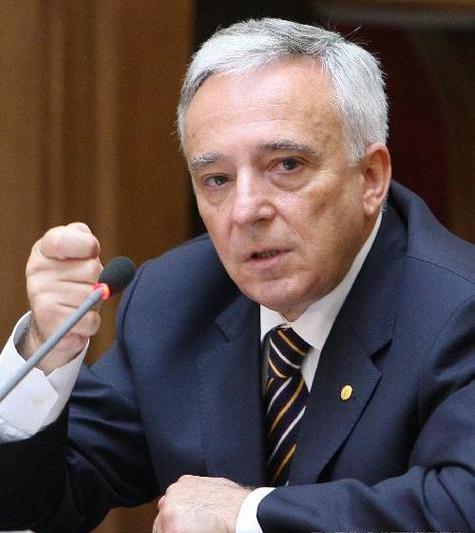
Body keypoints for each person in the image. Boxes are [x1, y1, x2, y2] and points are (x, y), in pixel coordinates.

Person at [0, 17, 474, 533]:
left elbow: (461, 507)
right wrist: (45, 351)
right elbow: (35, 502)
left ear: (371, 177)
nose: (246, 210)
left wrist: (246, 514)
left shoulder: (457, 310)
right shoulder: (174, 299)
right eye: (217, 179)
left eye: (286, 165)